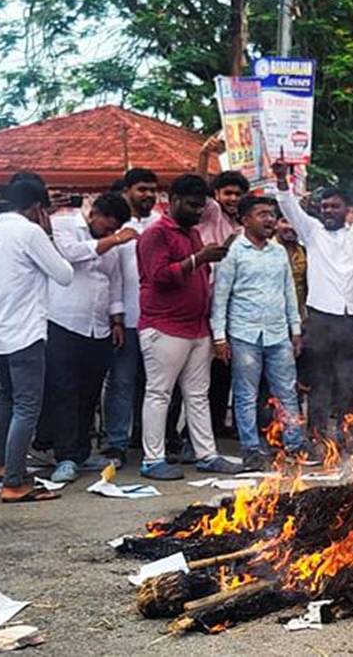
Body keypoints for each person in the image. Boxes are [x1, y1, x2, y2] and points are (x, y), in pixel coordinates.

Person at [274, 158, 353, 448]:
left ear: (346, 211)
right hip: (320, 320)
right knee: (320, 383)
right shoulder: (312, 232)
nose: (328, 211)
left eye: (334, 207)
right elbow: (289, 206)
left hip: (351, 321)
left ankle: (345, 437)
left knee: (351, 382)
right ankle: (318, 440)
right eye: (325, 207)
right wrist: (281, 179)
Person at [0, 179, 75, 502]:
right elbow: (65, 275)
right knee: (27, 406)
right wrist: (50, 235)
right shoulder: (31, 233)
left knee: (7, 400)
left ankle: (7, 467)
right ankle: (15, 482)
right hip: (26, 332)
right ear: (36, 208)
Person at [136, 174, 240, 479]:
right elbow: (160, 276)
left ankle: (206, 454)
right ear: (173, 201)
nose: (198, 212)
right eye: (193, 206)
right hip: (164, 325)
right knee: (159, 393)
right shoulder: (156, 234)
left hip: (196, 327)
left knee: (198, 395)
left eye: (201, 207)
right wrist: (200, 258)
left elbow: (199, 272)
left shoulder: (192, 233)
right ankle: (152, 459)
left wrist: (208, 257)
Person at [36, 193, 136, 483]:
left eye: (115, 229)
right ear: (94, 214)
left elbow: (114, 281)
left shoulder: (112, 240)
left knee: (89, 393)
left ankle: (81, 452)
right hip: (64, 321)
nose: (111, 232)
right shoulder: (62, 224)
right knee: (64, 391)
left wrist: (117, 319)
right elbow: (70, 255)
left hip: (100, 326)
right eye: (108, 226)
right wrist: (114, 241)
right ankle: (64, 456)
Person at [212, 195, 311, 470]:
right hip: (245, 334)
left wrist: (295, 330)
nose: (269, 220)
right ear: (245, 220)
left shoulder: (278, 251)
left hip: (279, 334)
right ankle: (251, 448)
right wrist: (219, 337)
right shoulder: (233, 252)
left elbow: (289, 293)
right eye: (262, 214)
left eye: (271, 214)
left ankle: (294, 444)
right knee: (245, 394)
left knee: (287, 392)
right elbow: (220, 297)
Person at [100, 168, 160, 466]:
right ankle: (116, 444)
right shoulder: (115, 228)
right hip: (128, 319)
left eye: (152, 189)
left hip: (158, 320)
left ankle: (148, 441)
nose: (148, 194)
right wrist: (117, 317)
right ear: (127, 191)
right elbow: (112, 277)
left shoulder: (162, 224)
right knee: (122, 383)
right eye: (141, 189)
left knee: (156, 386)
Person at [200, 171, 251, 439]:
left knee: (223, 371)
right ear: (216, 195)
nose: (232, 198)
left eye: (237, 194)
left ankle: (218, 425)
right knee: (198, 375)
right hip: (203, 304)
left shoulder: (243, 228)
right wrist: (205, 156)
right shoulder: (211, 214)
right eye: (227, 193)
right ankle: (188, 436)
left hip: (231, 309)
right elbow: (199, 187)